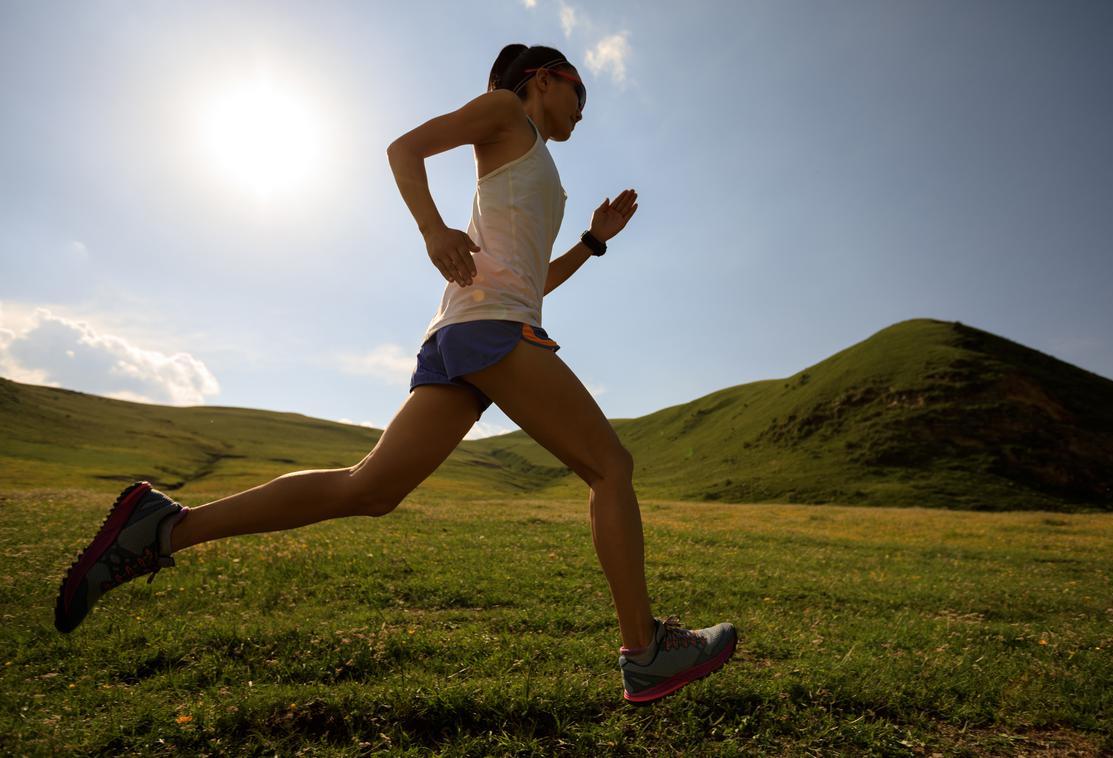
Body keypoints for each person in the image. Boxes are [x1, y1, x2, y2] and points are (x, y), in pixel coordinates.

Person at [54, 43, 736, 704]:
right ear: (542, 79)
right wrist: (432, 229)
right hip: (487, 328)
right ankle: (644, 652)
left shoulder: (534, 169)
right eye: (578, 87)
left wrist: (592, 242)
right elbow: (403, 149)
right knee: (609, 467)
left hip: (477, 326)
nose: (584, 104)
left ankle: (163, 528)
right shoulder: (506, 111)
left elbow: (532, 282)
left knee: (371, 488)